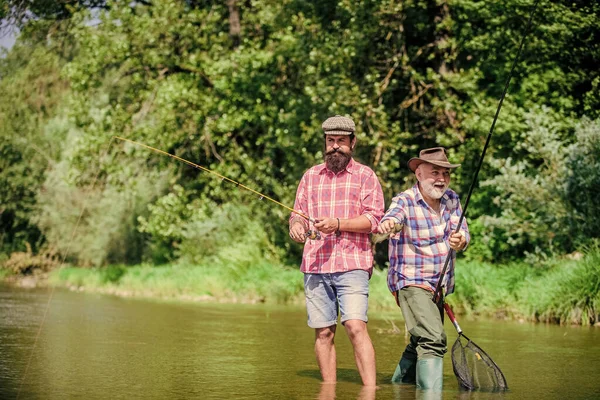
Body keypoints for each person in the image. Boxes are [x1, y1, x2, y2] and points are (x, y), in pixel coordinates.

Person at [289, 115, 385, 387]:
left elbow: (374, 220)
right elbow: (297, 215)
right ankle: (328, 391)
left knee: (355, 327)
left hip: (353, 262)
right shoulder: (310, 176)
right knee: (323, 333)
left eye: (341, 141)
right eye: (330, 141)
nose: (335, 147)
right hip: (315, 264)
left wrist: (339, 224)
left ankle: (370, 391)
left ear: (352, 143)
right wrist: (296, 226)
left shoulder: (366, 176)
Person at [376, 147, 470, 391]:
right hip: (410, 282)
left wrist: (461, 240)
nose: (441, 179)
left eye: (446, 174)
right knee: (433, 339)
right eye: (435, 173)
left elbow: (463, 234)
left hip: (439, 285)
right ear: (418, 174)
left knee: (419, 339)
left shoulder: (453, 199)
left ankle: (398, 389)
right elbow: (393, 217)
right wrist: (389, 224)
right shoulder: (404, 200)